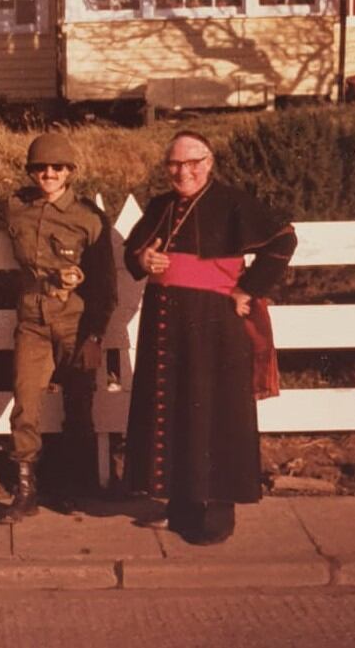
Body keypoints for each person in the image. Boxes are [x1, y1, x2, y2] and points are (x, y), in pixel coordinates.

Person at [123, 130, 297, 545]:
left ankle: (218, 512)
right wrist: (144, 257)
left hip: (213, 324)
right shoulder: (161, 205)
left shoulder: (233, 201)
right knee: (174, 409)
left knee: (214, 413)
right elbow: (133, 251)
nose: (183, 171)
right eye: (174, 164)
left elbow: (284, 239)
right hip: (164, 324)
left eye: (192, 162)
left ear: (209, 161)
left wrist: (246, 288)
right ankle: (180, 506)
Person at [0, 132, 117, 522]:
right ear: (31, 172)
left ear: (70, 172)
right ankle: (26, 490)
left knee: (79, 403)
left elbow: (106, 287)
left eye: (57, 168)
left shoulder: (88, 218)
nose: (49, 174)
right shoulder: (17, 207)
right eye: (41, 168)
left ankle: (75, 487)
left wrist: (94, 337)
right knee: (25, 403)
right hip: (32, 321)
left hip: (74, 321)